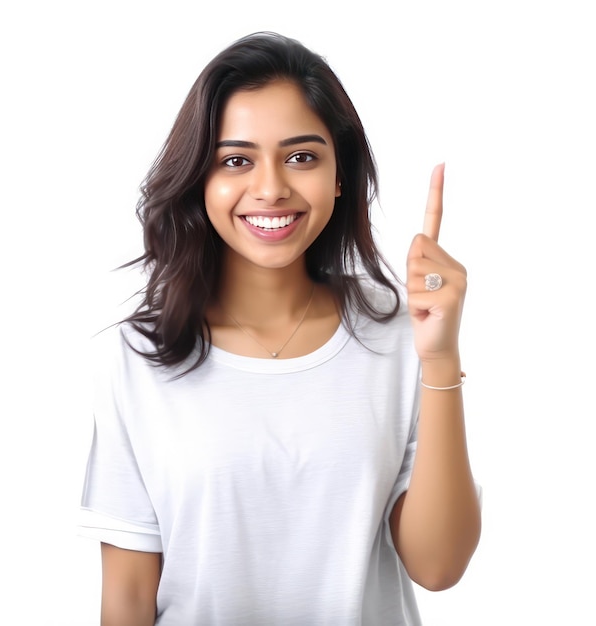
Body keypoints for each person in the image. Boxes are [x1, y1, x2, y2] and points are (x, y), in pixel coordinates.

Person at [78, 31, 481, 626]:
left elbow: (439, 567)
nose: (270, 188)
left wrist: (441, 360)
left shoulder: (399, 334)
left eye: (301, 157)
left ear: (339, 175)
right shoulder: (140, 356)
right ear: (200, 181)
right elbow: (129, 598)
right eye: (236, 160)